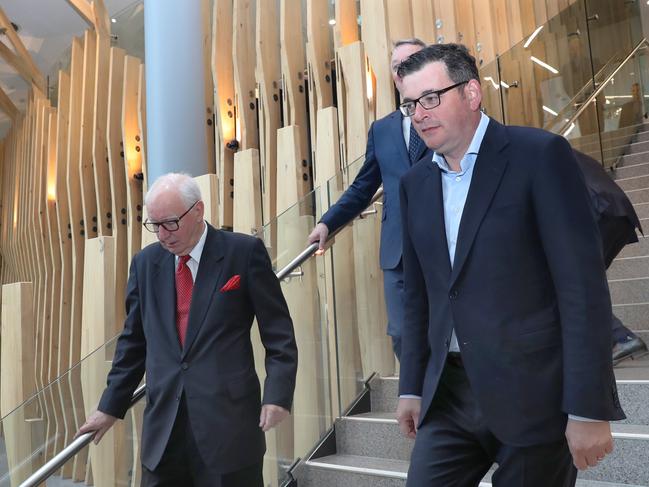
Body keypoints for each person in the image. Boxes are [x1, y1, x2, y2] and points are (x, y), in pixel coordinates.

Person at [394, 44, 625, 486]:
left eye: (430, 98)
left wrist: (588, 407)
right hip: (450, 397)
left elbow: (582, 289)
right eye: (409, 104)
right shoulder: (413, 184)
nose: (418, 114)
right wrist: (410, 386)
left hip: (534, 392)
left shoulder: (539, 156)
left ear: (472, 93)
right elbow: (420, 294)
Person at [77, 173, 298, 486]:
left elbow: (279, 335)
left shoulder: (243, 253)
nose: (163, 235)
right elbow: (133, 344)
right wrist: (109, 406)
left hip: (229, 429)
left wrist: (277, 395)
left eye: (170, 223)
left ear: (198, 211)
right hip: (164, 433)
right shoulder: (145, 264)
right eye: (154, 225)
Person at [308, 38, 432, 360]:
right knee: (403, 334)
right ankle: (417, 403)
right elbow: (363, 187)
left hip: (442, 244)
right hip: (398, 252)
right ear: (393, 77)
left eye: (412, 61)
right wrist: (327, 222)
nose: (403, 70)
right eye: (397, 67)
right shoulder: (382, 130)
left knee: (446, 332)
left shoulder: (448, 117)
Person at [573, 149, 647, 364]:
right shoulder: (555, 147)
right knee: (582, 282)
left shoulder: (535, 153)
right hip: (617, 212)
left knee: (571, 283)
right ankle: (614, 338)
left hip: (597, 212)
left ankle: (619, 338)